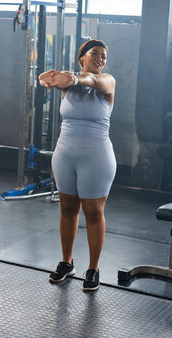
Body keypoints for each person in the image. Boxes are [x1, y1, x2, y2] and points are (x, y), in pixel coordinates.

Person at [38, 39, 116, 291]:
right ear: (82, 56)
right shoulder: (68, 83)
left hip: (96, 157)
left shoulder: (107, 81)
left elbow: (92, 81)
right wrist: (48, 78)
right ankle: (66, 262)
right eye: (95, 54)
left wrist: (72, 79)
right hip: (65, 154)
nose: (100, 59)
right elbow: (43, 76)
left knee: (93, 212)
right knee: (67, 210)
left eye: (104, 56)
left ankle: (93, 269)